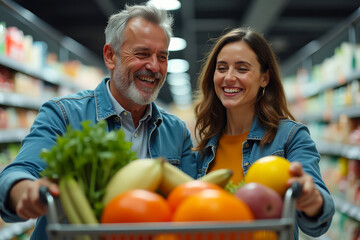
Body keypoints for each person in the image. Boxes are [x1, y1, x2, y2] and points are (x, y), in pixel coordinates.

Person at [0, 4, 197, 239]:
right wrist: (25, 190)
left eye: (162, 57)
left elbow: (189, 205)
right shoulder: (63, 115)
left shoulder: (176, 132)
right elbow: (22, 171)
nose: (154, 67)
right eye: (142, 54)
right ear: (110, 56)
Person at [193, 27, 334, 239]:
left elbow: (317, 221)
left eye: (242, 69)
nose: (229, 77)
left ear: (264, 78)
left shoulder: (290, 137)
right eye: (222, 68)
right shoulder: (204, 147)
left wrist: (312, 199)